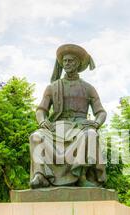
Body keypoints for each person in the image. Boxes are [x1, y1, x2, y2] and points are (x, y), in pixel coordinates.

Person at [29, 44, 107, 188]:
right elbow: (41, 110)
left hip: (80, 127)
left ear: (77, 63)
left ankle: (81, 177)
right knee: (36, 136)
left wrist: (96, 124)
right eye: (64, 61)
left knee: (90, 134)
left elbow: (101, 112)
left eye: (70, 61)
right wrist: (42, 121)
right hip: (57, 128)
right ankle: (40, 175)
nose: (67, 64)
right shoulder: (53, 87)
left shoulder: (88, 88)